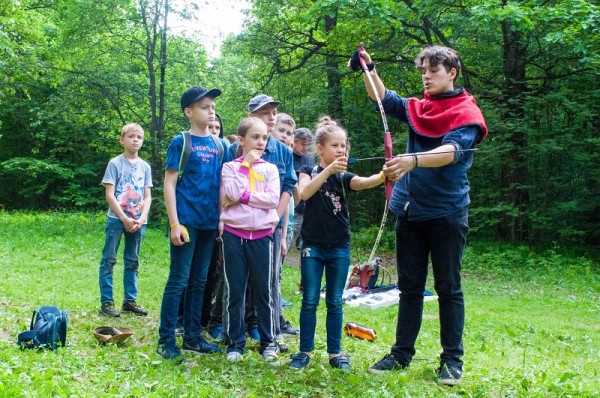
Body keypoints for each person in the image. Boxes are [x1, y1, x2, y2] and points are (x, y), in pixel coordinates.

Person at [349, 45, 488, 385]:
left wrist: (413, 160)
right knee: (410, 288)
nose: (426, 77)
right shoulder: (419, 107)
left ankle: (452, 361)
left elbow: (452, 151)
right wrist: (369, 68)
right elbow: (383, 99)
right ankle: (400, 354)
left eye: (433, 71)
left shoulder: (466, 113)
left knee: (448, 287)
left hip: (446, 212)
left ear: (452, 72)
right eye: (423, 71)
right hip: (409, 210)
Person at [288, 116, 385, 371]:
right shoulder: (307, 171)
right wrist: (328, 171)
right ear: (320, 148)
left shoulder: (343, 177)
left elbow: (363, 183)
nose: (341, 150)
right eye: (335, 146)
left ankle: (335, 353)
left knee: (334, 300)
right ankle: (305, 351)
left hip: (339, 247)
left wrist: (384, 175)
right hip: (312, 246)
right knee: (309, 299)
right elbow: (304, 194)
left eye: (344, 146)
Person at [157, 86, 231, 363]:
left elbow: (223, 186)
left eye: (212, 106)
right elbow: (169, 182)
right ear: (189, 112)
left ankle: (192, 338)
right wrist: (175, 223)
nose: (211, 110)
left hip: (209, 224)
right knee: (179, 280)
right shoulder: (181, 142)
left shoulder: (220, 145)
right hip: (186, 222)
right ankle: (166, 340)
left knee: (201, 282)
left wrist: (222, 221)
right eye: (204, 107)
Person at [227, 95, 299, 350]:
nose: (271, 117)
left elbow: (286, 188)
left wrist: (275, 220)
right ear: (250, 118)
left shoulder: (281, 151)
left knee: (268, 282)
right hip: (236, 228)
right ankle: (235, 331)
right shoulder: (234, 150)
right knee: (236, 284)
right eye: (265, 113)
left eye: (273, 113)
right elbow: (227, 193)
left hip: (270, 226)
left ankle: (264, 330)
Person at [220, 117, 281, 365]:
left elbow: (272, 200)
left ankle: (269, 343)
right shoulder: (230, 168)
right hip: (234, 236)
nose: (261, 142)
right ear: (242, 139)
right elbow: (230, 193)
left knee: (263, 293)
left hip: (262, 237)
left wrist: (241, 197)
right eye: (255, 137)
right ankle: (236, 342)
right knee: (235, 292)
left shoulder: (270, 169)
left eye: (264, 137)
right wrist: (245, 166)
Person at [98, 123, 152, 318]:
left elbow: (147, 196)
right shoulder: (115, 164)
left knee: (132, 261)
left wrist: (142, 217)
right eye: (131, 136)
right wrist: (124, 218)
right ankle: (107, 301)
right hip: (116, 220)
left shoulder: (145, 167)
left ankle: (130, 300)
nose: (136, 140)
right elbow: (110, 195)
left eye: (139, 137)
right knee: (109, 260)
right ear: (122, 140)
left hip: (138, 222)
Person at [290, 127, 315, 252]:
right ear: (294, 141)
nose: (305, 148)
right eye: (303, 144)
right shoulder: (287, 154)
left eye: (308, 145)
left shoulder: (309, 157)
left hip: (307, 208)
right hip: (291, 207)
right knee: (287, 240)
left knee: (306, 247)